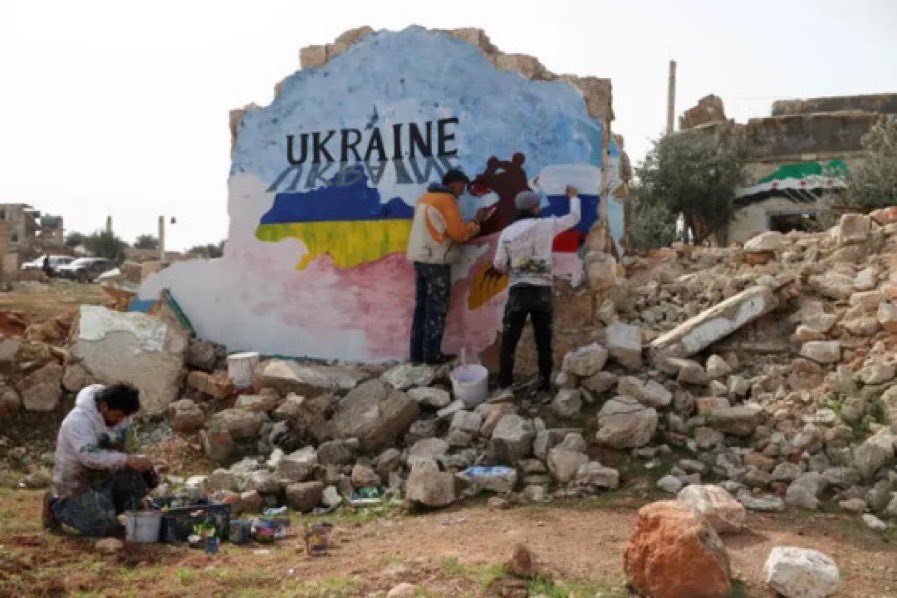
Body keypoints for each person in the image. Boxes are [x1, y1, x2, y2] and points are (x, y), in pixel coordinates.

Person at [491, 185, 581, 392]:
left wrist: (513, 272)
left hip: (518, 292)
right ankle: (544, 385)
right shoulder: (546, 225)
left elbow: (498, 264)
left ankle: (505, 385)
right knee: (543, 341)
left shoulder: (507, 232)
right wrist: (574, 197)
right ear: (534, 207)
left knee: (510, 341)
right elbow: (574, 218)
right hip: (542, 292)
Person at [42, 382, 158, 536]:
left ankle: (111, 509)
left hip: (108, 475)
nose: (120, 420)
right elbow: (89, 457)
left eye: (124, 417)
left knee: (139, 479)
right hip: (77, 483)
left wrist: (142, 462)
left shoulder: (121, 416)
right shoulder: (77, 422)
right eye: (117, 416)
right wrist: (127, 459)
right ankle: (57, 505)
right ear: (104, 407)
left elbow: (129, 446)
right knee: (103, 529)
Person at [407, 169, 490, 364]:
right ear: (454, 184)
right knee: (437, 309)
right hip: (436, 260)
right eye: (463, 184)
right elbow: (458, 234)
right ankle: (432, 356)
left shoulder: (425, 197)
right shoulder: (447, 200)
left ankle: (417, 356)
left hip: (420, 258)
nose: (464, 189)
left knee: (422, 308)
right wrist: (477, 221)